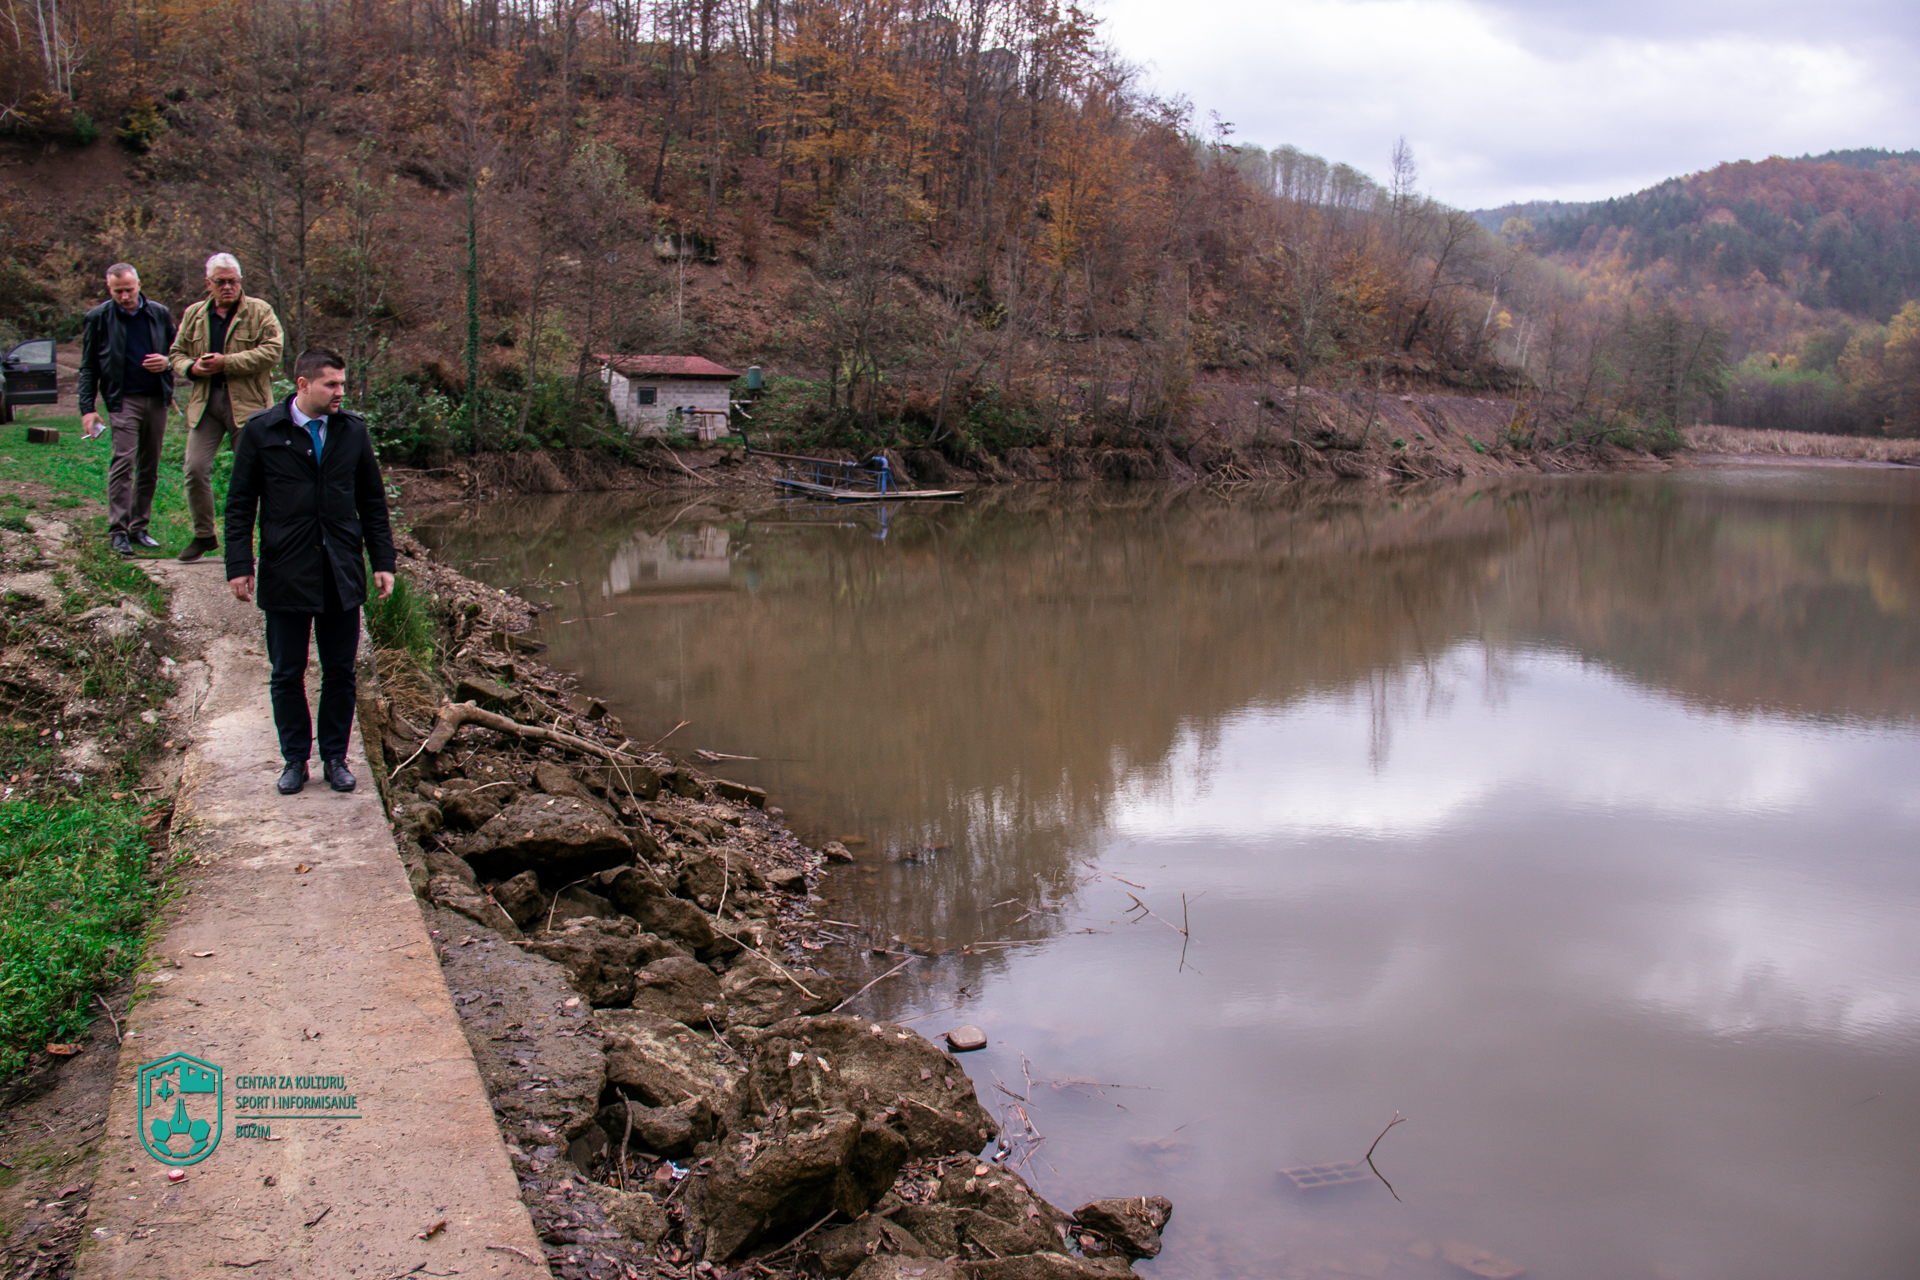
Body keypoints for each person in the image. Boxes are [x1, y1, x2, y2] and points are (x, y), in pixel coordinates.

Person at [224, 348, 396, 796]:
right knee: (287, 672)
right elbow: (240, 504)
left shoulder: (352, 432)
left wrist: (383, 562)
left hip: (341, 570)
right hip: (286, 569)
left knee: (340, 671)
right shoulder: (263, 432)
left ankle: (335, 758)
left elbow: (373, 503)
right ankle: (294, 759)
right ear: (303, 385)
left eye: (343, 383)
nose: (342, 391)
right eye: (332, 384)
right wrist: (239, 564)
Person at [168, 253, 284, 563]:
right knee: (194, 469)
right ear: (209, 284)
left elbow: (274, 351)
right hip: (206, 402)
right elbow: (176, 353)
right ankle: (204, 535)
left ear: (240, 281)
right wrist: (192, 368)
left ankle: (262, 540)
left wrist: (227, 363)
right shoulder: (194, 314)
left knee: (255, 477)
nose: (228, 287)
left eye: (233, 280)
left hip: (248, 405)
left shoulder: (259, 311)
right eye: (221, 282)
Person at [78, 263, 176, 556]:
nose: (124, 296)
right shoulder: (98, 318)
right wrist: (87, 408)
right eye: (118, 291)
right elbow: (88, 366)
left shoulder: (158, 313)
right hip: (123, 400)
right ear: (110, 289)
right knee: (123, 462)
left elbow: (179, 351)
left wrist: (167, 362)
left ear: (139, 284)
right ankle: (118, 530)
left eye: (129, 289)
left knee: (150, 465)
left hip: (157, 398)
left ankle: (139, 527)